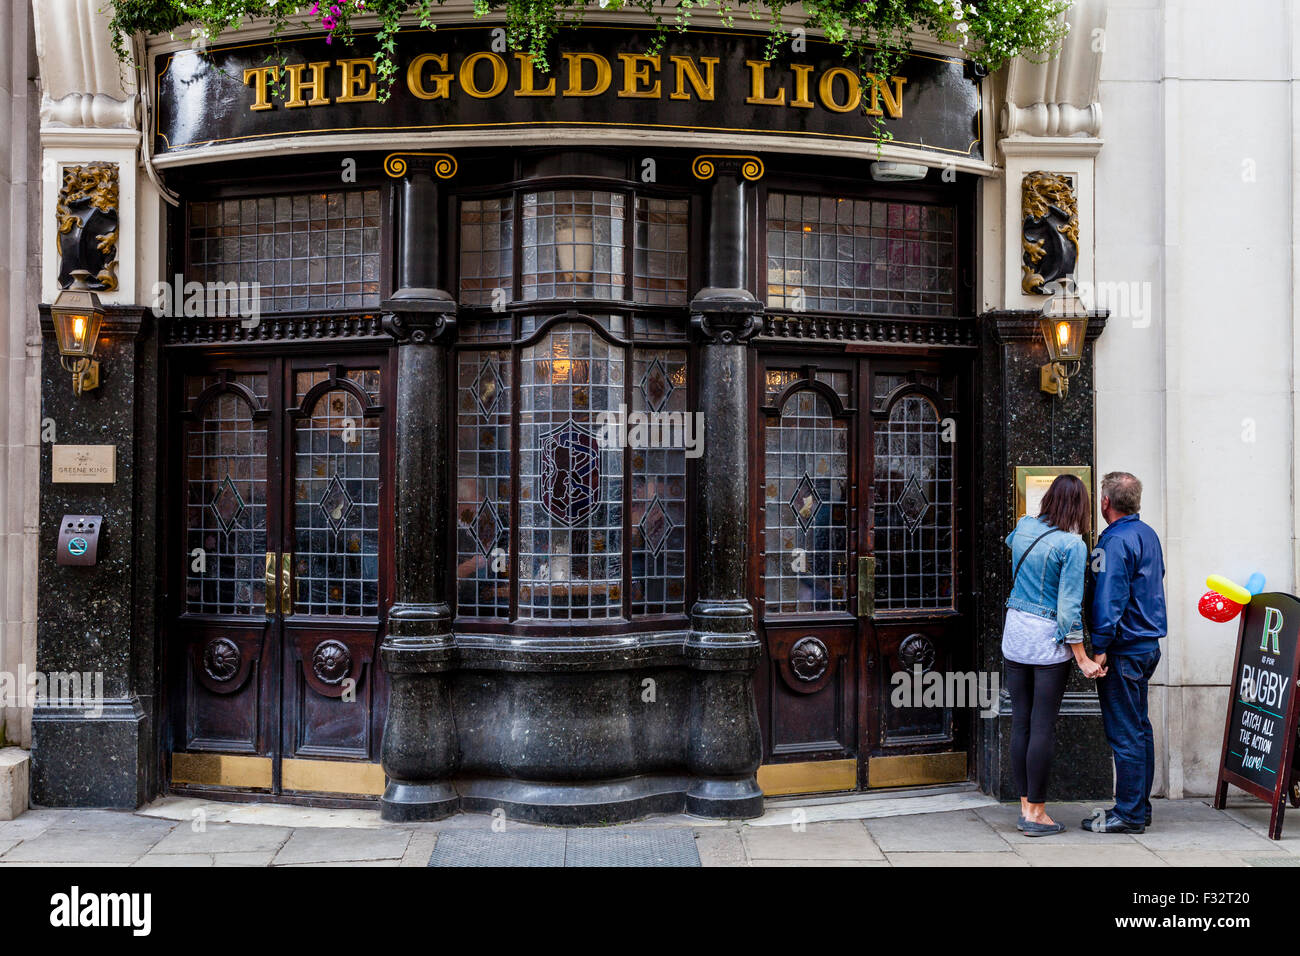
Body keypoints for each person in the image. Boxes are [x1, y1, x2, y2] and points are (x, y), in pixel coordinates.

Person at [1003, 474, 1107, 837]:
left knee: (1021, 721)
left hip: (1014, 633)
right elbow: (1068, 608)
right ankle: (1037, 813)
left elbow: (1012, 542)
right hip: (1046, 639)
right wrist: (1082, 657)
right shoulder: (1072, 545)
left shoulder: (1024, 526)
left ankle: (1023, 805)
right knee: (1042, 725)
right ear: (1081, 506)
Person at [1080, 471, 1167, 834]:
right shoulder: (1148, 534)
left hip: (1124, 650)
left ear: (1105, 502)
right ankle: (1139, 807)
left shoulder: (1112, 542)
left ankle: (1129, 813)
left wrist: (1099, 648)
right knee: (1140, 728)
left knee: (1126, 732)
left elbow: (1108, 599)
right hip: (1147, 646)